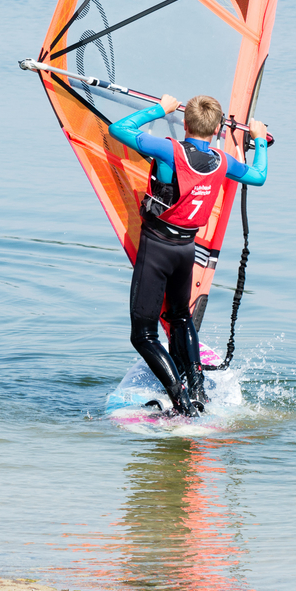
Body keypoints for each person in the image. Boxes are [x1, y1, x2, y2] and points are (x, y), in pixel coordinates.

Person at [109, 94, 268, 417]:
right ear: (218, 130)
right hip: (187, 252)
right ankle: (198, 393)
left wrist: (160, 109)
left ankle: (182, 402)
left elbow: (118, 128)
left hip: (157, 249)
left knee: (143, 336)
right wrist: (260, 140)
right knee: (180, 318)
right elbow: (258, 176)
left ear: (185, 123)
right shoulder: (223, 162)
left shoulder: (170, 150)